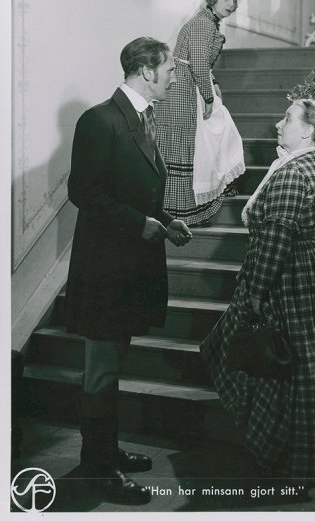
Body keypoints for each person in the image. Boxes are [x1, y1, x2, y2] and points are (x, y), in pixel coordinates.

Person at [65, 37, 192, 505]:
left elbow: (136, 189)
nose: (174, 76)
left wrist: (162, 220)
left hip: (127, 269)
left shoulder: (140, 117)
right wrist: (139, 223)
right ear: (145, 70)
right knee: (100, 374)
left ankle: (106, 452)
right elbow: (85, 192)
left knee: (112, 367)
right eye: (170, 69)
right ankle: (98, 471)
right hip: (103, 272)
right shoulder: (100, 119)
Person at [200, 98, 315, 488]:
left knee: (278, 370)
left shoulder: (293, 173)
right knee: (298, 367)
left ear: (307, 131)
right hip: (304, 272)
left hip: (288, 278)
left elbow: (276, 239)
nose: (279, 124)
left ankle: (281, 455)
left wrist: (257, 294)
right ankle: (296, 454)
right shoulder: (303, 164)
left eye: (287, 119)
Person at [154, 0, 245, 227]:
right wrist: (207, 95)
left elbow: (202, 63)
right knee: (187, 145)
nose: (233, 3)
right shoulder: (202, 24)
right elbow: (198, 63)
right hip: (183, 89)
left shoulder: (208, 23)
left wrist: (212, 85)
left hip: (188, 84)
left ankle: (214, 187)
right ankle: (181, 212)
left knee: (214, 133)